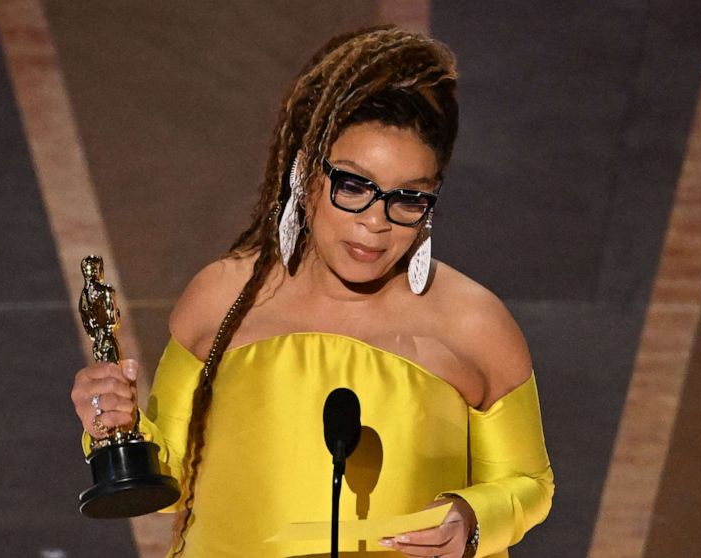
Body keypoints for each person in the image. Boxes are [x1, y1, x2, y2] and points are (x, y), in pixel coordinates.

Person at [71, 25, 553, 558]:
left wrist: (472, 519)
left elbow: (530, 482)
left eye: (408, 198)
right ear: (305, 174)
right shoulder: (222, 298)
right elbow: (169, 485)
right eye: (353, 185)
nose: (375, 222)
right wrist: (116, 428)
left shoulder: (473, 323)